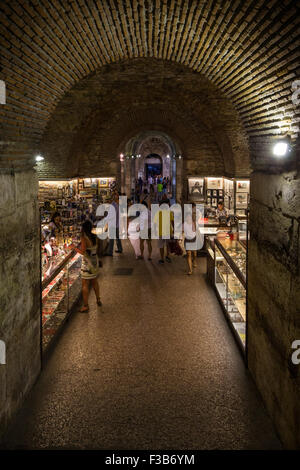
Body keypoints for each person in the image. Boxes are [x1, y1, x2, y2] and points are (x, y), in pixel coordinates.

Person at [72, 220, 101, 312]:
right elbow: (96, 248)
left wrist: (74, 248)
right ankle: (98, 299)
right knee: (95, 281)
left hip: (87, 264)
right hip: (94, 262)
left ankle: (86, 306)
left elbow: (83, 252)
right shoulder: (94, 236)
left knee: (85, 284)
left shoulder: (84, 238)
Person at [154, 199, 174, 264]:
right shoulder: (169, 212)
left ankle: (162, 259)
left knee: (161, 246)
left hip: (161, 232)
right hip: (168, 231)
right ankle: (167, 256)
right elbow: (172, 222)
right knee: (168, 245)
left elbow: (155, 223)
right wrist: (174, 230)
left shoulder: (158, 213)